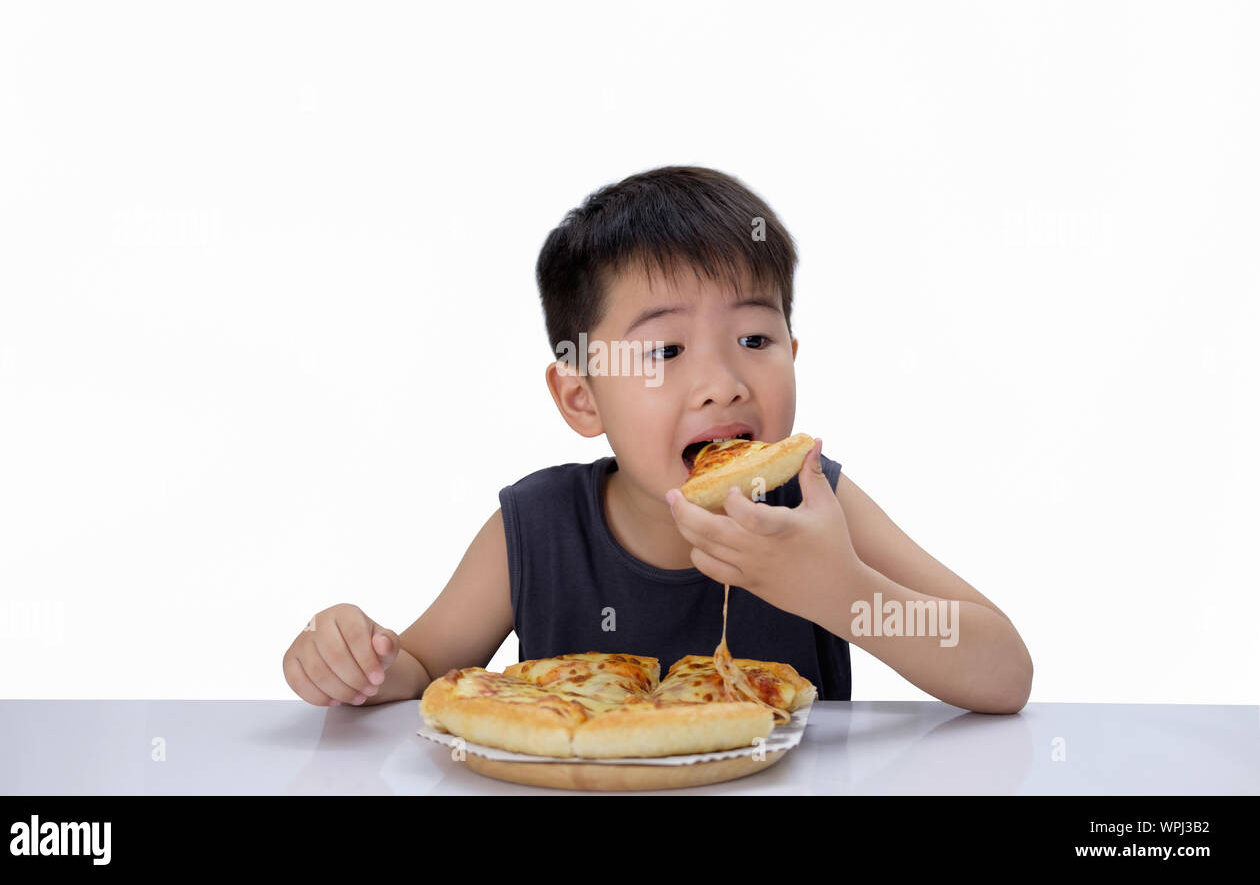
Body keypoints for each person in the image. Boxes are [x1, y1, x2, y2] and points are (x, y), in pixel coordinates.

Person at [282, 166, 1033, 714]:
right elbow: (417, 665)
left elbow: (1004, 673)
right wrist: (357, 660)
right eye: (664, 352)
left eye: (753, 337)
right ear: (582, 397)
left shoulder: (814, 501)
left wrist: (844, 594)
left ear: (793, 355)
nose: (723, 383)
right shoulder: (538, 528)